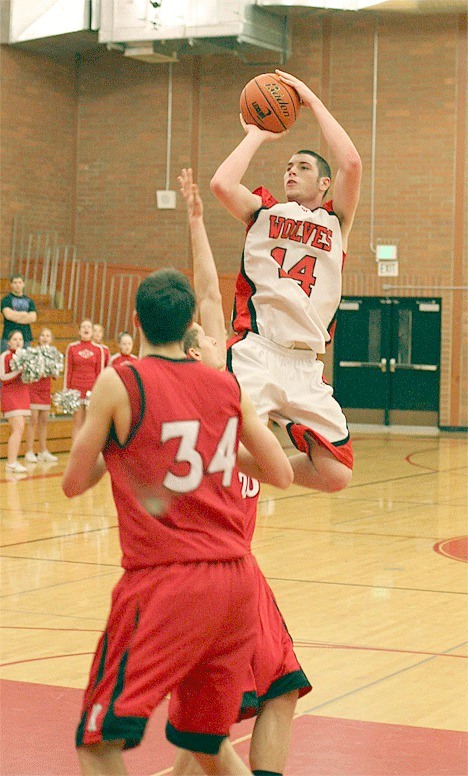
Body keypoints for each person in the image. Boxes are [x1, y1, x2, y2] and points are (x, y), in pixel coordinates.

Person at [62, 269, 293, 776]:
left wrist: (117, 444)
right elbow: (280, 472)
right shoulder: (226, 385)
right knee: (206, 744)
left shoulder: (120, 381)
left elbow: (73, 483)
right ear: (190, 323)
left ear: (136, 320)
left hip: (166, 580)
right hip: (237, 583)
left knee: (96, 742)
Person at [173, 169, 311, 776]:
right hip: (213, 569)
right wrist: (197, 224)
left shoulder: (239, 378)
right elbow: (207, 292)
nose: (216, 335)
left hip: (236, 567)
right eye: (205, 339)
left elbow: (211, 292)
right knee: (212, 721)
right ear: (191, 353)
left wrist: (198, 219)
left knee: (274, 693)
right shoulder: (208, 387)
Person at [210, 69, 362, 494]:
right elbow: (221, 184)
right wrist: (257, 134)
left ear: (325, 183)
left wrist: (313, 103)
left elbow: (352, 163)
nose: (291, 172)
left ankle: (220, 460)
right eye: (288, 166)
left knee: (336, 473)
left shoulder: (336, 222)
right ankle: (217, 464)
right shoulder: (263, 212)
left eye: (303, 167)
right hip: (257, 350)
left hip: (305, 365)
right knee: (233, 434)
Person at [64, 320, 105, 441]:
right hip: (75, 390)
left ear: (92, 331)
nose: (86, 329)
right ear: (79, 331)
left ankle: (87, 452)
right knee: (77, 422)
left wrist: (99, 392)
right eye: (83, 327)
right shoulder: (72, 347)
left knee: (89, 424)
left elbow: (100, 373)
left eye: (88, 327)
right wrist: (66, 390)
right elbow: (68, 370)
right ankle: (75, 451)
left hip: (91, 390)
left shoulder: (99, 349)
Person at [24, 327, 58, 463]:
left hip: (45, 390)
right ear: (39, 338)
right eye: (42, 335)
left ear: (51, 339)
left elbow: (55, 375)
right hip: (34, 389)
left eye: (48, 335)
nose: (45, 338)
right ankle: (29, 451)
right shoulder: (33, 352)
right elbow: (28, 373)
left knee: (44, 421)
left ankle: (43, 451)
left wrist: (51, 369)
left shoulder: (54, 354)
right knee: (33, 420)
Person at [0, 330, 30, 472]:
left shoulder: (26, 356)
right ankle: (11, 463)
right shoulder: (5, 356)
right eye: (15, 339)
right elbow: (3, 377)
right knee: (17, 428)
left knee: (20, 429)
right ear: (8, 342)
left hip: (23, 394)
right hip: (10, 395)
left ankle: (13, 461)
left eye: (20, 339)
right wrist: (19, 371)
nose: (18, 342)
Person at [1, 274, 37, 353]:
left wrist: (15, 317)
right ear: (11, 285)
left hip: (25, 337)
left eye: (20, 282)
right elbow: (8, 315)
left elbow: (33, 317)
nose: (17, 285)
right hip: (8, 338)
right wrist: (24, 314)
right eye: (15, 283)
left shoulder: (29, 300)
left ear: (23, 284)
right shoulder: (6, 299)